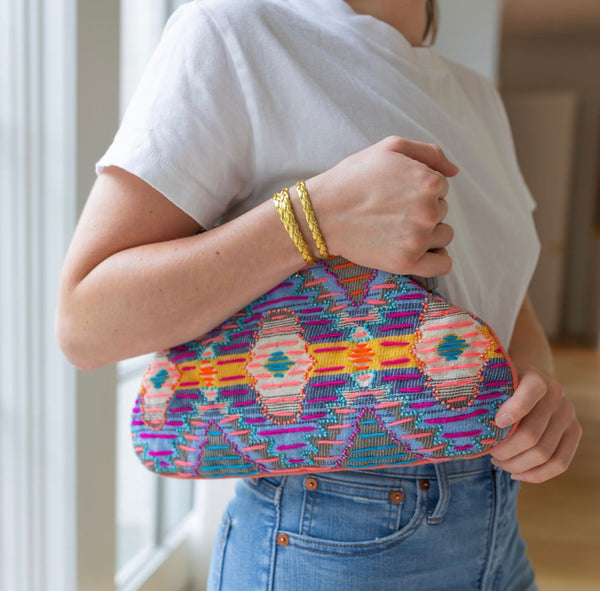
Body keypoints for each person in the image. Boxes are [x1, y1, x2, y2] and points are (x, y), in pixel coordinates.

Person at [56, 0, 582, 588]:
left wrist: (534, 382)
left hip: (498, 519)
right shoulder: (235, 34)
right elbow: (86, 323)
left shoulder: (478, 98)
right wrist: (314, 217)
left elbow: (509, 293)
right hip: (332, 533)